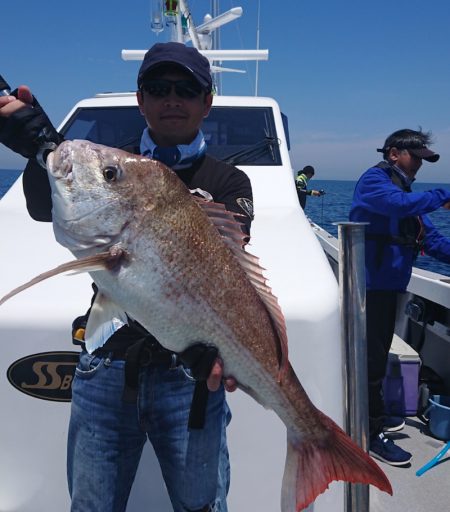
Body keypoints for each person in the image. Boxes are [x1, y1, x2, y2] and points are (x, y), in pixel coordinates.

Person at [0, 42, 253, 512]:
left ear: (206, 102)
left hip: (190, 375)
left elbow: (228, 271)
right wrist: (40, 147)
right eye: (158, 88)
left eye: (187, 89)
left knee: (202, 506)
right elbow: (44, 206)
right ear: (141, 100)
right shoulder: (112, 165)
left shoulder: (228, 181)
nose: (172, 99)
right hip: (106, 368)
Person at [349, 128, 450, 467]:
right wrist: (442, 195)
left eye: (424, 159)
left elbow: (431, 239)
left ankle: (371, 417)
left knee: (376, 357)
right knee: (371, 361)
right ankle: (369, 432)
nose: (420, 164)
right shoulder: (374, 182)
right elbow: (397, 205)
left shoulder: (406, 192)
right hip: (367, 289)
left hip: (389, 288)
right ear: (393, 153)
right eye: (415, 156)